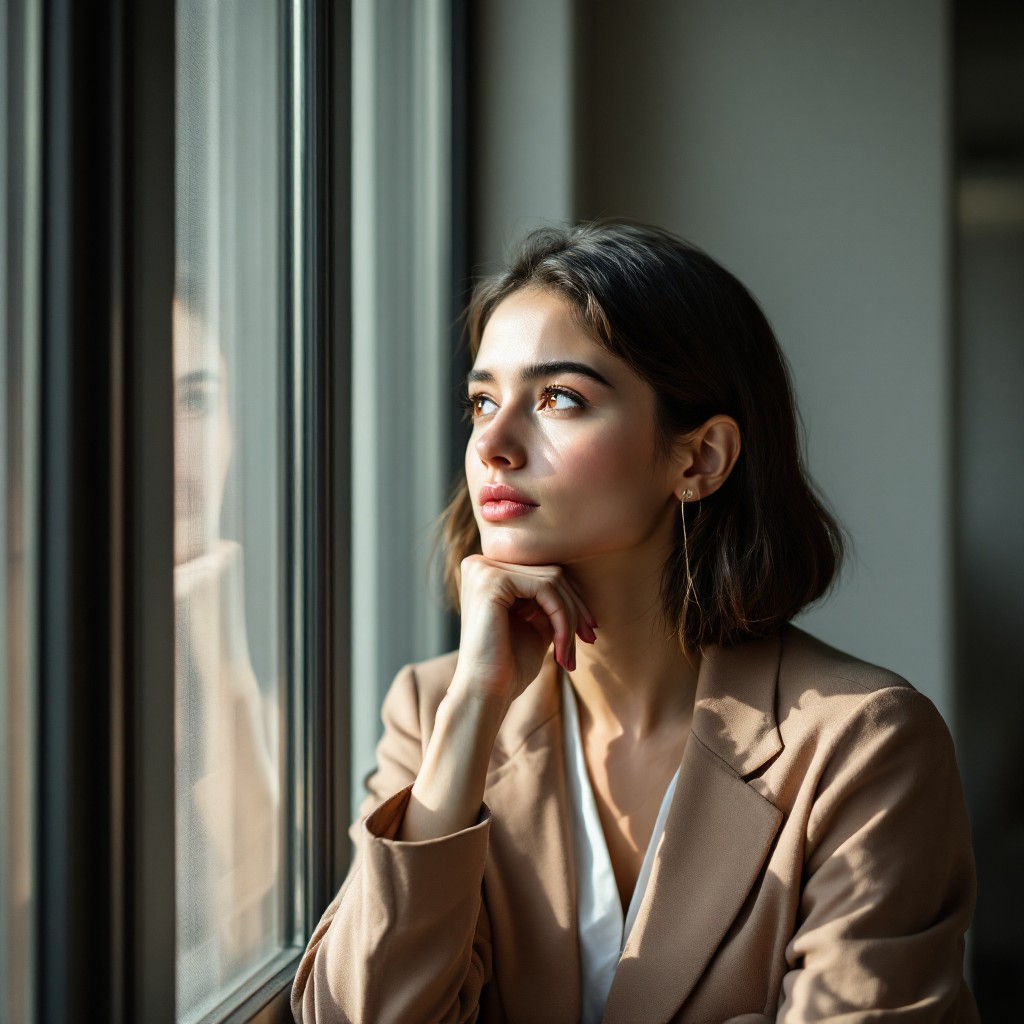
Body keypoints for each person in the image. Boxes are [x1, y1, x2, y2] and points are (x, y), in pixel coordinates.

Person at [292, 223, 978, 1022]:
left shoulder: (861, 745)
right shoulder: (433, 712)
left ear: (700, 460)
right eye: (483, 400)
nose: (494, 445)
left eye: (559, 399)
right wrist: (475, 709)